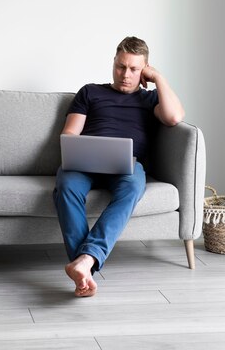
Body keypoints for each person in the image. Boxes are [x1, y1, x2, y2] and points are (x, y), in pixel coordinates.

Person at [53, 36, 184, 298]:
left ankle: (84, 262)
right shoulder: (90, 92)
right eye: (121, 66)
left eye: (134, 69)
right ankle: (87, 262)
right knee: (65, 187)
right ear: (113, 63)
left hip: (127, 166)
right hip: (84, 162)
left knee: (134, 187)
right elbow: (69, 134)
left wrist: (159, 78)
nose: (125, 74)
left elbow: (173, 117)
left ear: (145, 69)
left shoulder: (150, 100)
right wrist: (76, 148)